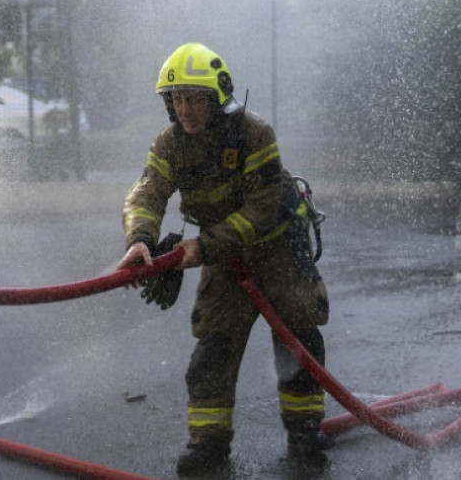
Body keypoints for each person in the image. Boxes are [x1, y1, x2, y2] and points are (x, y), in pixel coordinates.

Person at [116, 42, 331, 476]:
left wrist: (203, 247)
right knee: (214, 346)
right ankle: (209, 445)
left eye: (195, 98)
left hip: (277, 248)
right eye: (177, 98)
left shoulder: (254, 134)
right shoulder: (170, 143)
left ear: (218, 97)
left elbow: (262, 209)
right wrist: (139, 239)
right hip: (223, 254)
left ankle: (305, 434)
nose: (185, 109)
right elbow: (148, 191)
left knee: (297, 338)